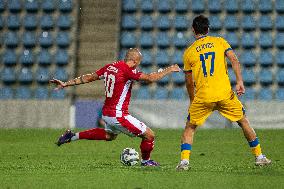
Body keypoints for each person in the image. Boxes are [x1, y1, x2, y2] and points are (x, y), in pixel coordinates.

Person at [50, 48, 180, 167]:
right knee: (149, 135)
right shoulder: (127, 70)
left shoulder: (110, 67)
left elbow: (88, 77)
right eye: (138, 63)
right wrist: (169, 69)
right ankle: (146, 161)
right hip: (118, 114)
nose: (138, 66)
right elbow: (151, 78)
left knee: (109, 135)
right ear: (134, 61)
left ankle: (72, 136)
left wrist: (66, 83)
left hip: (107, 113)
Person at [176, 15, 271, 171]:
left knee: (190, 127)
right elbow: (234, 59)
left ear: (193, 30)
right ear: (208, 29)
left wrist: (193, 100)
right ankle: (259, 156)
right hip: (224, 93)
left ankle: (184, 162)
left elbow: (188, 81)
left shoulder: (189, 52)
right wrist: (239, 81)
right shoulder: (219, 42)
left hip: (203, 96)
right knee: (243, 121)